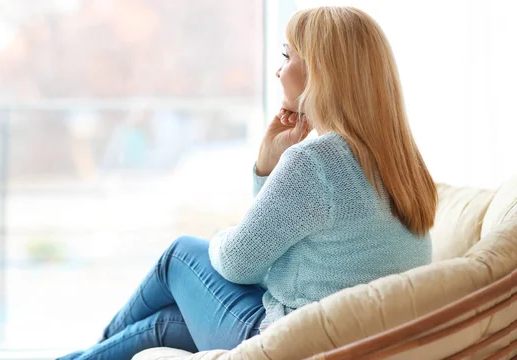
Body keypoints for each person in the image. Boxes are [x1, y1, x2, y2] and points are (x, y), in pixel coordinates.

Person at [57, 6, 438, 360]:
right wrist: (267, 165)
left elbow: (241, 264)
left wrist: (224, 234)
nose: (279, 71)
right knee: (162, 322)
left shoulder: (315, 163)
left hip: (289, 342)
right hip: (345, 341)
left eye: (288, 57)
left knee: (179, 254)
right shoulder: (401, 162)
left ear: (319, 73)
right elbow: (281, 237)